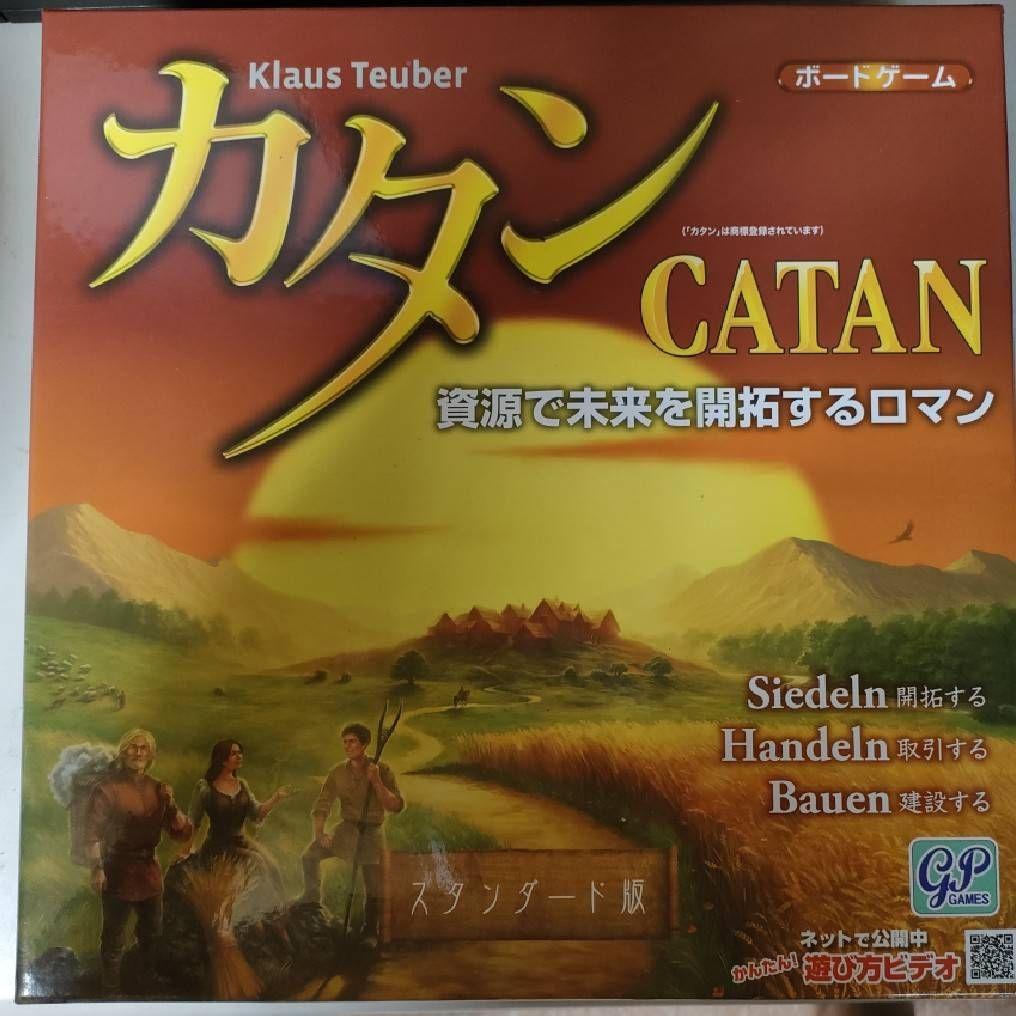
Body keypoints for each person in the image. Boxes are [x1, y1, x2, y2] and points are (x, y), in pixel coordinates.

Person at [83, 728, 192, 995]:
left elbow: (181, 832)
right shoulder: (107, 789)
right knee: (114, 936)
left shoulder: (159, 789)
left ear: (150, 754)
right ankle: (111, 991)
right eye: (133, 747)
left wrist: (172, 804)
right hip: (117, 871)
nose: (138, 752)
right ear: (123, 752)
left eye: (144, 748)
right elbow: (92, 834)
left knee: (152, 933)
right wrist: (97, 869)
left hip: (149, 872)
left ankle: (146, 985)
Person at [301, 722, 404, 947]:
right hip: (346, 830)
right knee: (309, 856)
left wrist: (376, 781)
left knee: (373, 883)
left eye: (352, 741)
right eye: (345, 742)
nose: (347, 746)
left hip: (371, 832)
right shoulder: (338, 772)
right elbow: (322, 804)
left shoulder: (381, 769)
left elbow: (395, 806)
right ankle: (312, 901)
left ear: (364, 744)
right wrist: (320, 833)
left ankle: (370, 931)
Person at [177, 740, 294, 909]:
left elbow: (257, 815)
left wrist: (277, 797)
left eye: (240, 752)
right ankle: (267, 911)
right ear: (222, 759)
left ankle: (283, 910)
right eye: (234, 753)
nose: (239, 756)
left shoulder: (242, 785)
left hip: (241, 840)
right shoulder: (205, 788)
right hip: (218, 845)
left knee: (273, 866)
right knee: (258, 862)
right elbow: (193, 822)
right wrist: (187, 849)